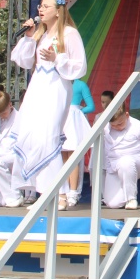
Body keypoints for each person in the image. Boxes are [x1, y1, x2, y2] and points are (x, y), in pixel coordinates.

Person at [0, 0, 86, 208]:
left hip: (56, 89)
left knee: (48, 139)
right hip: (38, 89)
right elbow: (24, 61)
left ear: (58, 11)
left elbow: (80, 66)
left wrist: (57, 58)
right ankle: (45, 192)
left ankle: (61, 194)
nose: (41, 10)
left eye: (46, 6)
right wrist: (28, 37)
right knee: (33, 139)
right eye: (40, 6)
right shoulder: (41, 34)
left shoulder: (69, 33)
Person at [102, 103, 140, 210]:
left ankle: (131, 198)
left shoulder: (138, 126)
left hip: (137, 161)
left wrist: (138, 152)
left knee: (126, 161)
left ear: (126, 115)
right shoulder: (105, 127)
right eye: (113, 125)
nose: (117, 127)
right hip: (114, 166)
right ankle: (126, 188)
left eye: (120, 124)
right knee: (113, 204)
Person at [59, 78, 94, 210]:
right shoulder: (59, 83)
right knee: (63, 159)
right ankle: (64, 191)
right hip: (62, 120)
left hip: (73, 122)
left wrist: (77, 111)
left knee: (73, 159)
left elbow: (91, 106)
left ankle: (73, 192)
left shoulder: (80, 85)